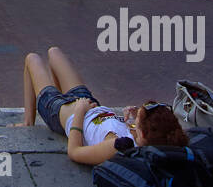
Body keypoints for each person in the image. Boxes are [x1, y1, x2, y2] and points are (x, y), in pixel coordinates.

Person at [17, 47, 189, 165]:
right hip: (88, 102)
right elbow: (138, 134)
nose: (136, 116)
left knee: (32, 59)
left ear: (143, 134)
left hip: (64, 113)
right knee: (54, 52)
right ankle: (60, 96)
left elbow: (75, 152)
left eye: (139, 119)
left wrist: (79, 112)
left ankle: (28, 122)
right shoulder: (145, 140)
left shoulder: (117, 146)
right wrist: (131, 120)